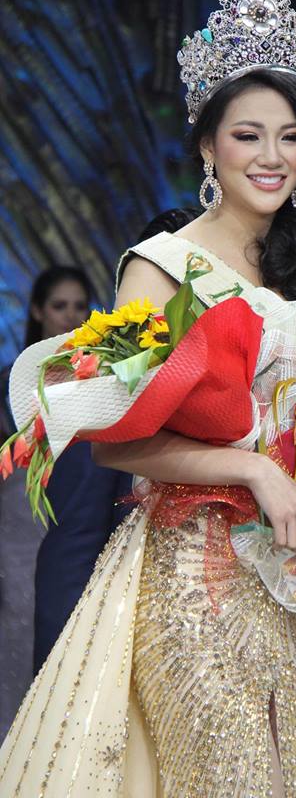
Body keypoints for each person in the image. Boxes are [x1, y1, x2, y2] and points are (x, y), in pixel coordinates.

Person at [0, 0, 296, 798]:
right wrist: (254, 469)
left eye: (290, 136)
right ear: (207, 144)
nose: (272, 156)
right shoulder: (162, 266)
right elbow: (119, 443)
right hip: (202, 578)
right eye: (247, 135)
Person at [0, 266, 130, 740]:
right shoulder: (10, 383)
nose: (70, 315)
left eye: (80, 306)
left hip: (78, 533)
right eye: (59, 306)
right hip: (21, 530)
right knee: (21, 635)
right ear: (37, 311)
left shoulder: (103, 378)